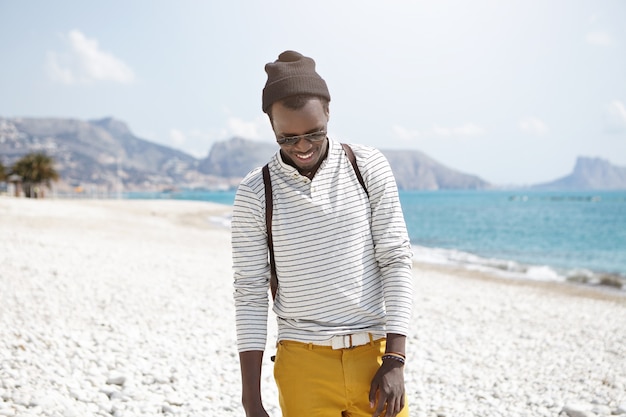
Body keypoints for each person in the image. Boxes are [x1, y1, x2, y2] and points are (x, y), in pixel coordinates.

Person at [232, 50, 414, 417]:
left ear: (329, 112)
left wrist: (395, 359)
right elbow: (249, 293)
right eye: (288, 137)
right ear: (271, 125)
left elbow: (395, 258)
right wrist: (251, 399)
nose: (302, 146)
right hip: (302, 364)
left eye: (314, 133)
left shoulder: (367, 166)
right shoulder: (255, 193)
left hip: (375, 356)